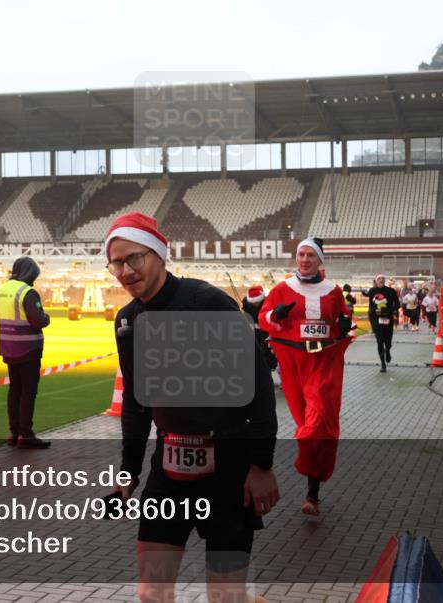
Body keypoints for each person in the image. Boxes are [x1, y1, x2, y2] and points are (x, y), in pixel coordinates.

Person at [105, 212, 279, 603]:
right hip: (167, 473)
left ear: (159, 255)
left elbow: (259, 388)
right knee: (151, 593)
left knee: (226, 596)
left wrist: (262, 465)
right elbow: (136, 402)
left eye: (135, 258)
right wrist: (129, 470)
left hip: (229, 475)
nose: (126, 271)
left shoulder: (208, 303)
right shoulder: (127, 322)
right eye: (116, 263)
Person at [258, 238, 352, 517]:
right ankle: (314, 488)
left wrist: (346, 324)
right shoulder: (282, 288)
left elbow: (344, 320)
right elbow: (263, 318)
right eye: (301, 254)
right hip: (293, 365)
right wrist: (275, 314)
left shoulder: (333, 291)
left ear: (320, 260)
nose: (304, 259)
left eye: (310, 255)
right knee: (305, 423)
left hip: (323, 364)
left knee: (317, 422)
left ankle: (312, 492)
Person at [0, 257, 52, 448]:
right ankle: (25, 435)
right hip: (28, 348)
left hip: (8, 348)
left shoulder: (1, 290)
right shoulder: (27, 292)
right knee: (28, 392)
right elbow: (38, 320)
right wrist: (47, 317)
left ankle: (14, 433)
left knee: (15, 390)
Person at [241, 285, 279, 387]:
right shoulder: (246, 303)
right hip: (255, 331)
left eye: (257, 302)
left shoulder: (268, 303)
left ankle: (269, 375)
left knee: (268, 355)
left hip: (267, 331)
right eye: (253, 302)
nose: (255, 304)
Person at [362, 274, 399, 372]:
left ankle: (388, 350)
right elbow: (370, 303)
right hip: (375, 319)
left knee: (388, 341)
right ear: (376, 281)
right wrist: (372, 313)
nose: (381, 280)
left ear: (384, 280)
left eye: (383, 278)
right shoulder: (372, 291)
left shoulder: (391, 291)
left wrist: (389, 310)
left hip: (387, 318)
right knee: (380, 340)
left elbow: (397, 304)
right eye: (379, 278)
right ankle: (383, 364)